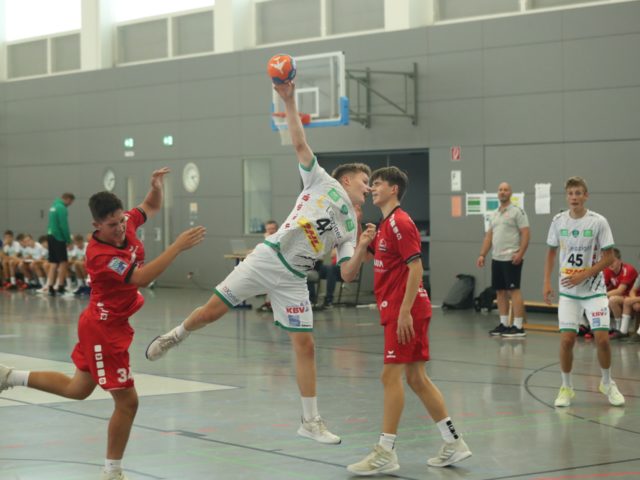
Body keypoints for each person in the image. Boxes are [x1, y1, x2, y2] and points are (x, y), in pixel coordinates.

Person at [145, 81, 376, 445]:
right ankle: (177, 334)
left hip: (295, 278)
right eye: (365, 182)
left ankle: (310, 420)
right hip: (269, 257)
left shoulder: (352, 227)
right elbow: (299, 142)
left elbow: (347, 275)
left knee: (306, 345)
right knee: (211, 313)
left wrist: (362, 246)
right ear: (346, 179)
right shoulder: (322, 180)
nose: (368, 188)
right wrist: (288, 99)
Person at [0, 168, 206, 480]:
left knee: (78, 388)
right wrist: (176, 247)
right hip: (104, 329)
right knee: (128, 403)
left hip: (105, 324)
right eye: (112, 225)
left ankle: (8, 376)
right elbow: (141, 277)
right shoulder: (100, 254)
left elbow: (149, 206)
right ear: (96, 225)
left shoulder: (127, 224)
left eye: (122, 220)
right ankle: (112, 472)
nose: (121, 228)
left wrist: (155, 186)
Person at [347, 167, 471, 476]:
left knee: (390, 378)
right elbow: (369, 260)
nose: (372, 188)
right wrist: (362, 235)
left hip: (407, 310)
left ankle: (385, 451)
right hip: (400, 308)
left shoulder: (401, 223)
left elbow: (416, 268)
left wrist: (404, 311)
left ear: (394, 189)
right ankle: (453, 441)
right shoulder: (386, 225)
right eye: (371, 184)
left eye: (377, 184)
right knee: (416, 378)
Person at [543, 176, 624, 408]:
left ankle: (607, 383)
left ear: (585, 196)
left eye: (579, 193)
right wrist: (546, 282)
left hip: (595, 291)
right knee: (567, 340)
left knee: (602, 340)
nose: (574, 197)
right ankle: (566, 387)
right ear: (566, 196)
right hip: (568, 292)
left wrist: (585, 274)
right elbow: (550, 252)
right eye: (571, 193)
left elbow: (609, 257)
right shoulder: (558, 221)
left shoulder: (598, 222)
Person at [477, 182, 530, 337]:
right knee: (500, 292)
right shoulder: (494, 214)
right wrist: (482, 254)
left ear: (510, 193)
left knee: (514, 290)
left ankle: (518, 326)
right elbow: (489, 236)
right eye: (500, 189)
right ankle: (504, 324)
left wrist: (520, 253)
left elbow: (526, 234)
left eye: (506, 190)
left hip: (511, 257)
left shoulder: (517, 212)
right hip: (497, 258)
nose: (502, 192)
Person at [603, 248, 638, 339]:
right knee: (601, 301)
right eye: (608, 261)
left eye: (613, 261)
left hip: (630, 297)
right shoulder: (607, 270)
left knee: (612, 299)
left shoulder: (628, 269)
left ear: (619, 261)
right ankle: (616, 329)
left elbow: (620, 290)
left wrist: (602, 295)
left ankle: (620, 329)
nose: (610, 264)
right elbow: (603, 287)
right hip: (625, 297)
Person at [46, 192, 75, 296]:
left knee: (53, 263)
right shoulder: (61, 207)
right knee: (63, 262)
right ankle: (61, 287)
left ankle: (50, 287)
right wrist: (68, 240)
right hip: (58, 237)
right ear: (67, 199)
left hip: (50, 235)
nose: (70, 204)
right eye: (70, 202)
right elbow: (63, 225)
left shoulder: (53, 207)